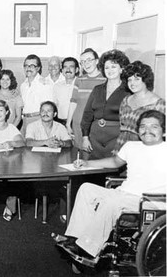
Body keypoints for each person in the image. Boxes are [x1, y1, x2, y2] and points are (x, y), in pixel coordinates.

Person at [54, 110, 166, 264]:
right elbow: (114, 162)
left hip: (150, 202)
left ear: (164, 130)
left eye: (154, 127)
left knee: (111, 203)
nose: (147, 131)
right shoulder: (132, 146)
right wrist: (87, 163)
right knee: (87, 189)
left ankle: (88, 250)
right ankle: (75, 238)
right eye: (143, 126)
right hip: (124, 194)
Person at [81, 49, 131, 159]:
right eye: (106, 67)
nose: (110, 70)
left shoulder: (128, 91)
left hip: (116, 140)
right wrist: (85, 138)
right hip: (95, 140)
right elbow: (87, 115)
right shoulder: (97, 89)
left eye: (113, 67)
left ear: (121, 69)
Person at [114, 61, 165, 152]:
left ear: (145, 80)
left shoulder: (159, 104)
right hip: (122, 148)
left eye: (137, 79)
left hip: (144, 152)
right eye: (129, 80)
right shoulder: (125, 101)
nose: (132, 83)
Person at [66, 48, 106, 149]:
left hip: (96, 125)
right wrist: (68, 123)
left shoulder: (105, 79)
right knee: (79, 155)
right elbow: (73, 101)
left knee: (94, 155)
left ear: (97, 61)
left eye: (89, 60)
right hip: (78, 123)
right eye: (82, 62)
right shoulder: (79, 79)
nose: (86, 64)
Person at [19, 54, 52, 136]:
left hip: (38, 119)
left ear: (38, 68)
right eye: (26, 66)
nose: (28, 68)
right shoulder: (23, 85)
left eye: (32, 66)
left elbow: (49, 107)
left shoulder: (45, 83)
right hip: (25, 120)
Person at [52, 57, 79, 126]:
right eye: (65, 67)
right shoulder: (57, 86)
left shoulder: (81, 85)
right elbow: (55, 105)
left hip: (76, 122)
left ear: (76, 70)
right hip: (60, 122)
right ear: (62, 70)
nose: (68, 70)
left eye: (71, 67)